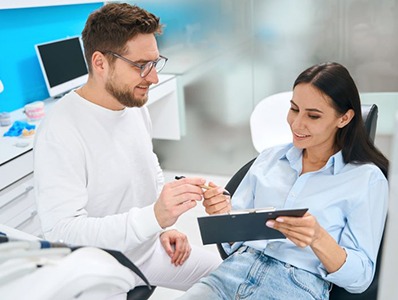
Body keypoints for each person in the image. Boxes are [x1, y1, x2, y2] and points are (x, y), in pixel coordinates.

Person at [33, 3, 223, 291]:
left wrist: (164, 226)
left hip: (147, 252)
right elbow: (64, 233)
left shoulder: (131, 103)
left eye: (155, 63)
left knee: (231, 281)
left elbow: (149, 166)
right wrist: (154, 217)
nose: (153, 77)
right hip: (97, 266)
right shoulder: (60, 130)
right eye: (140, 66)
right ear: (100, 63)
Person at [178, 62, 389, 299]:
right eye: (294, 109)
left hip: (296, 286)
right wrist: (221, 214)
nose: (297, 124)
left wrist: (318, 238)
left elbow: (360, 279)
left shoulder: (366, 180)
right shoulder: (269, 159)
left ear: (344, 118)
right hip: (231, 274)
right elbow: (232, 244)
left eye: (313, 115)